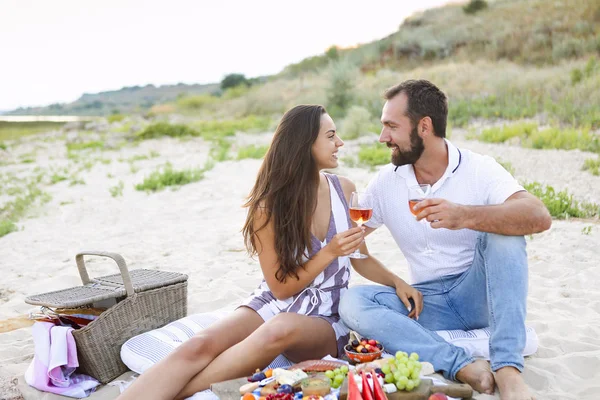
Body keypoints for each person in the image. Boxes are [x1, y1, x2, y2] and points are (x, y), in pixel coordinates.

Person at [117, 105, 411, 400]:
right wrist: (330, 252)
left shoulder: (344, 189)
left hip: (326, 316)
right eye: (331, 136)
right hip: (275, 301)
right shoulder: (267, 207)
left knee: (279, 328)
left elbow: (362, 258)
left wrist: (396, 282)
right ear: (304, 145)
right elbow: (281, 290)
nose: (340, 143)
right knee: (200, 344)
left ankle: (175, 393)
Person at [339, 80, 552, 400]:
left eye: (391, 126)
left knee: (505, 237)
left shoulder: (479, 169)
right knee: (353, 302)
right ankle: (463, 363)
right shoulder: (386, 181)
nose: (383, 137)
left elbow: (538, 216)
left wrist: (466, 215)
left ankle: (507, 368)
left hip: (479, 293)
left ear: (424, 126)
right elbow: (351, 240)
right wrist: (394, 280)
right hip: (425, 303)